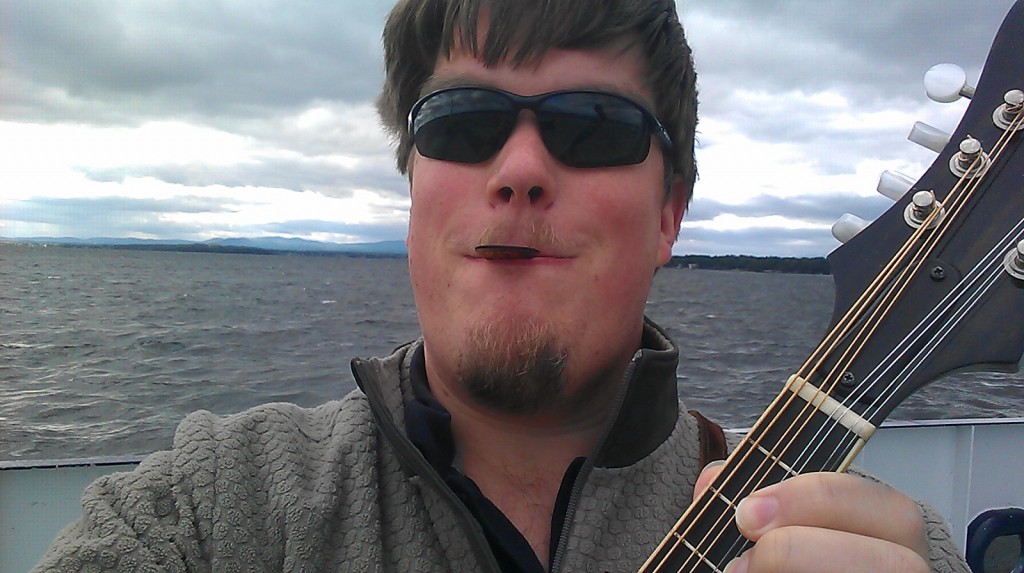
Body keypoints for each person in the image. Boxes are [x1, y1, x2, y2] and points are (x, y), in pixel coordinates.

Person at [34, 0, 969, 571]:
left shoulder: (872, 547)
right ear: (413, 185)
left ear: (670, 214)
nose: (519, 167)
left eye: (593, 125)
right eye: (464, 120)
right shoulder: (212, 508)